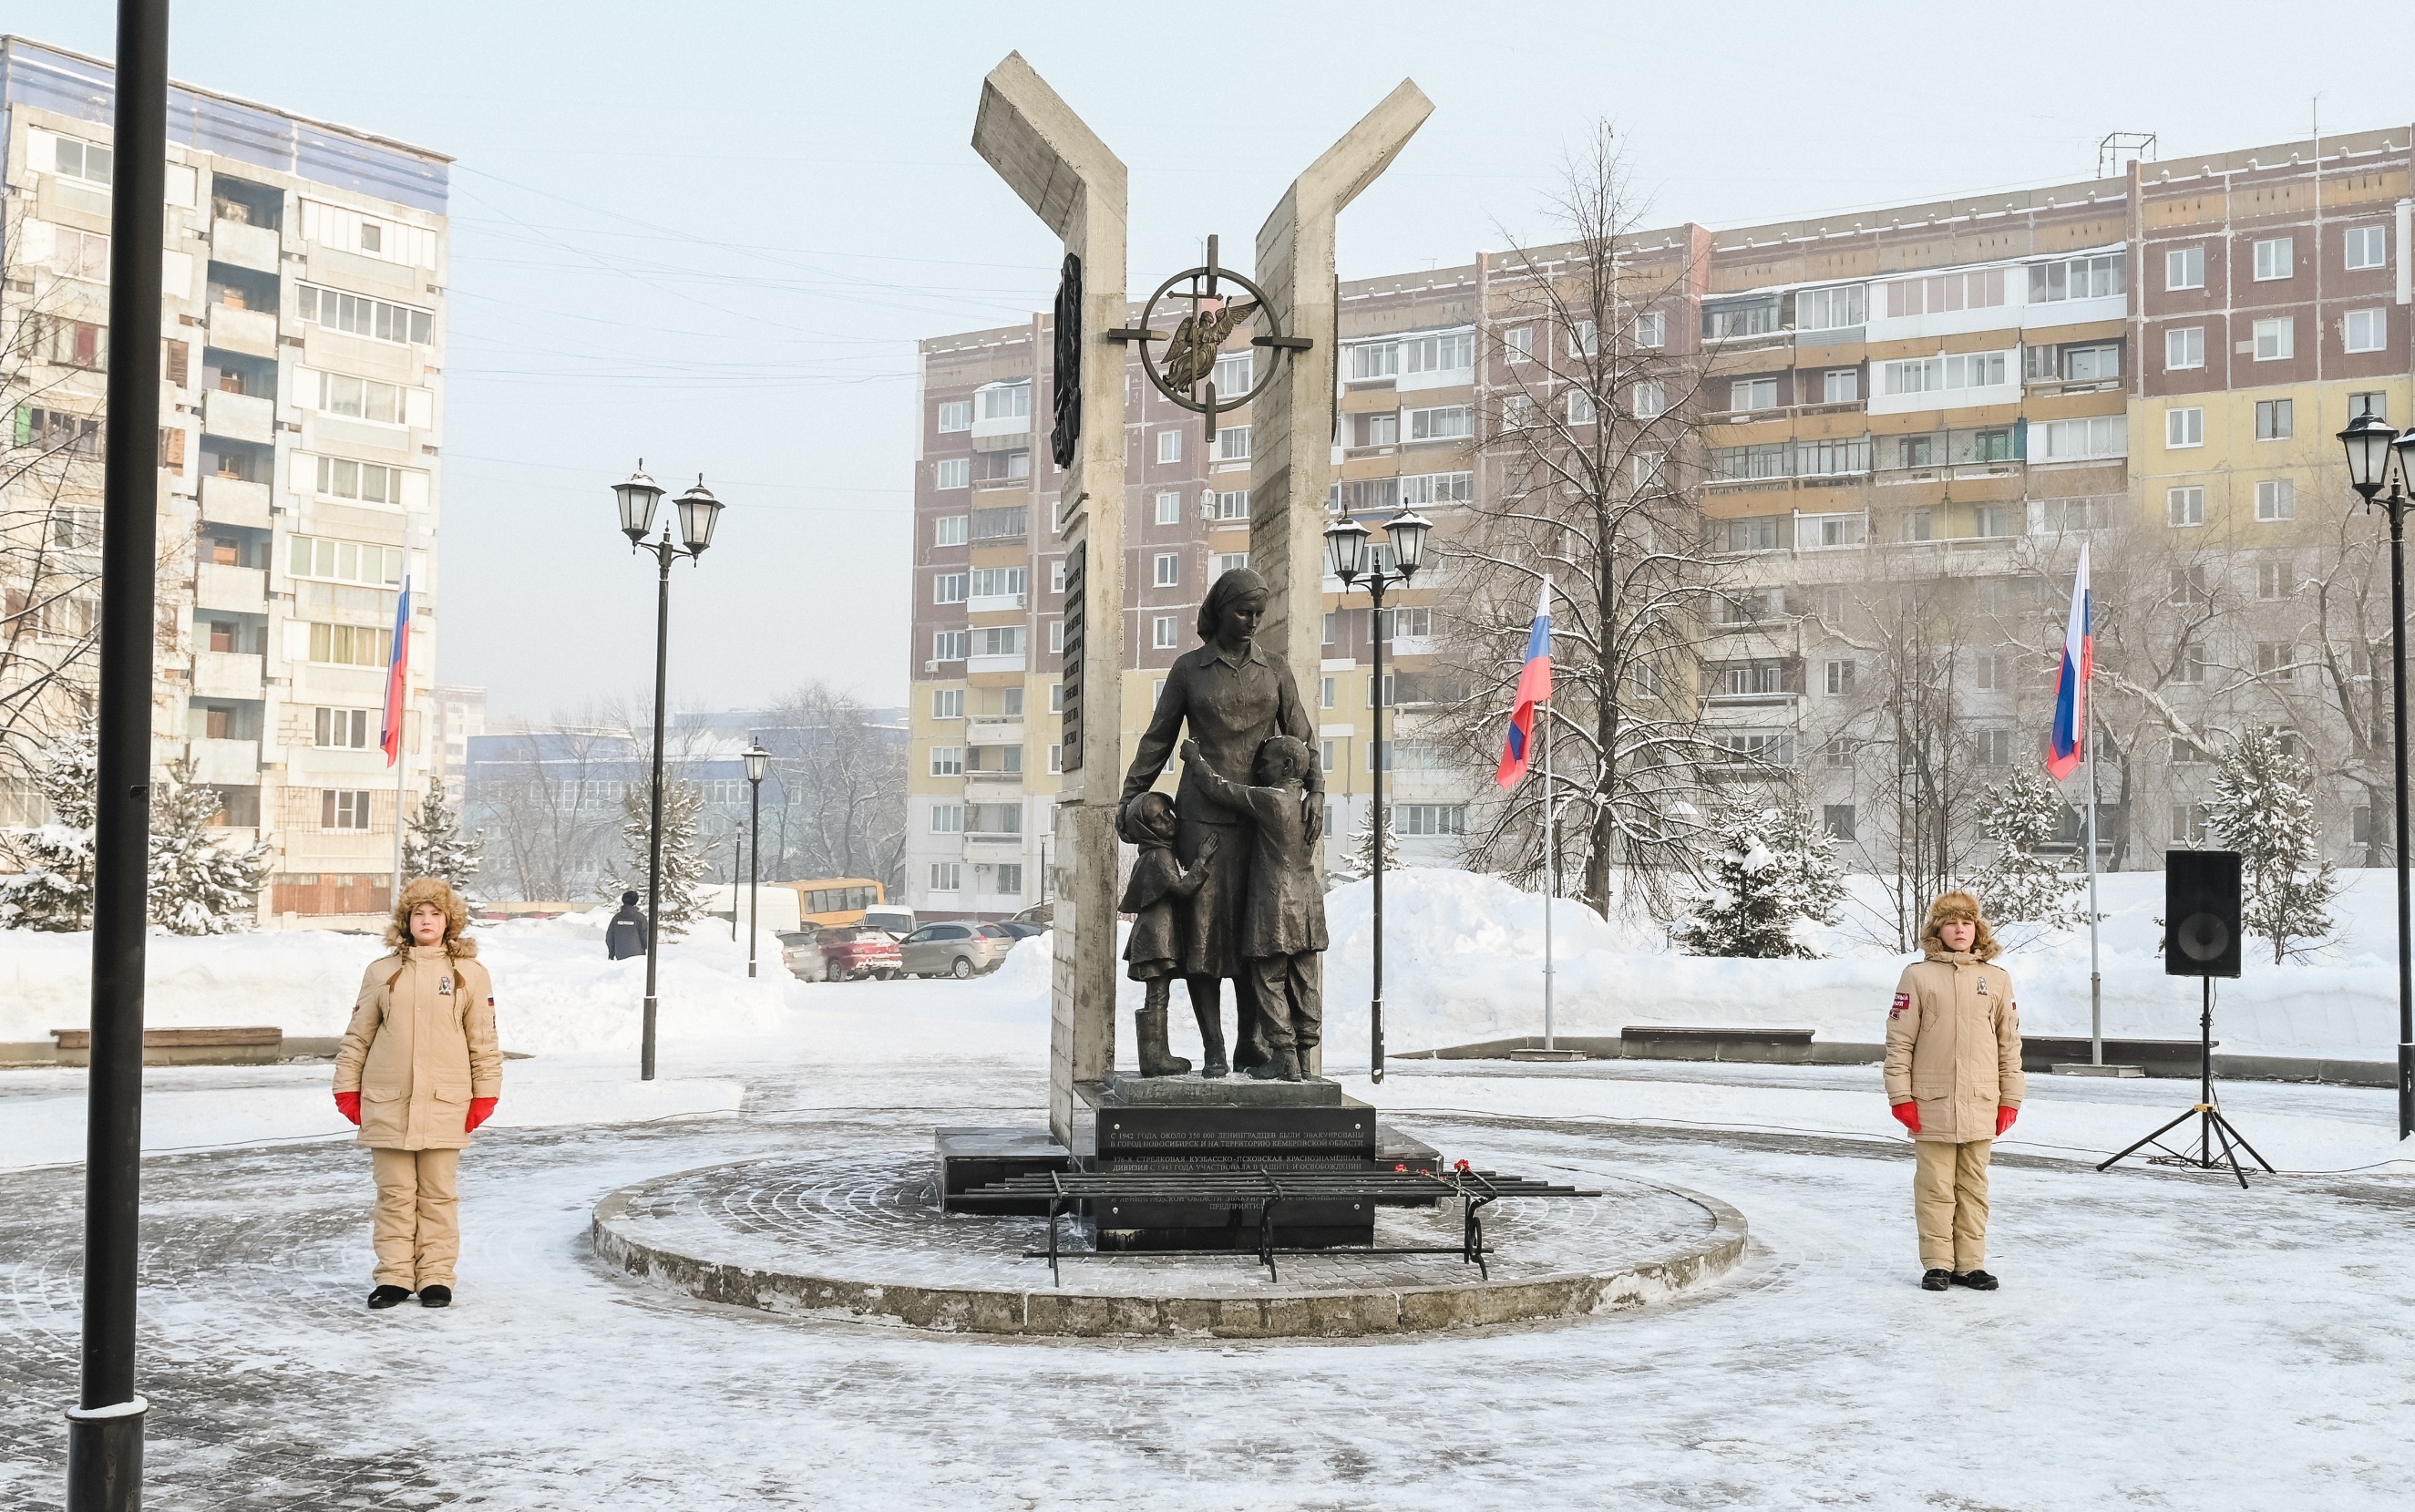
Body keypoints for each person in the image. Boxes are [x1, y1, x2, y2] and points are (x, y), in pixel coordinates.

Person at [1119, 568, 1322, 1073]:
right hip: (1201, 821)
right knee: (1204, 940)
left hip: (1259, 822)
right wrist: (1130, 797)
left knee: (1258, 939)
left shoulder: (1275, 669)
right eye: (1243, 612)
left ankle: (1251, 1042)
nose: (1252, 621)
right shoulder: (1189, 669)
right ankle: (1213, 1046)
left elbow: (1302, 737)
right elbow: (1158, 737)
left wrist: (1316, 789)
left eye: (1258, 613)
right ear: (1220, 610)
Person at [333, 877, 502, 1310]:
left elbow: (483, 1040)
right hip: (387, 1101)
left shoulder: (470, 974)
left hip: (446, 1102)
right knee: (394, 1195)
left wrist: (485, 1094)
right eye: (418, 914)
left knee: (439, 1195)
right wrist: (347, 1087)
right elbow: (358, 1036)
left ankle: (435, 1277)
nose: (426, 921)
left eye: (435, 914)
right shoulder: (382, 972)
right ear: (405, 922)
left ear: (449, 921)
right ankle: (393, 1277)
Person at [1885, 890, 2023, 1293]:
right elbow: (1899, 1042)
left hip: (1982, 1101)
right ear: (1938, 930)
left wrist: (2011, 1099)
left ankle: (1971, 1264)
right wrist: (1900, 1096)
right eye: (1951, 923)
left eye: (1966, 923)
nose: (1960, 930)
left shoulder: (1996, 979)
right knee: (1935, 1187)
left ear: (1977, 929)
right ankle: (1938, 1264)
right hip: (1932, 1102)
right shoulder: (1917, 976)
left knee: (1974, 1187)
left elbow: (2009, 1044)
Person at [1181, 735, 1328, 1082]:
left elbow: (1221, 789)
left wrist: (1194, 758)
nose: (1259, 770)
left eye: (1266, 763)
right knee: (1304, 983)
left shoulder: (1272, 800)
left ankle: (1284, 1057)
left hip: (1276, 908)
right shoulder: (1310, 809)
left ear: (1287, 767)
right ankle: (1304, 1062)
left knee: (1269, 980)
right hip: (1309, 908)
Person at [1117, 793, 1218, 1076]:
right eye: (1157, 820)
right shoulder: (1159, 856)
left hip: (1155, 935)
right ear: (1145, 829)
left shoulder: (1153, 854)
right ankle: (1155, 1058)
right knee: (1157, 995)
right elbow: (1183, 889)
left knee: (1156, 995)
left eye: (1167, 814)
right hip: (1156, 938)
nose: (1167, 822)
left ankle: (1156, 1055)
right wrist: (1202, 860)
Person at [605, 890, 649, 961]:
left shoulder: (616, 918)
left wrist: (611, 953)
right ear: (636, 901)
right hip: (638, 956)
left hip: (620, 954)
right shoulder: (640, 918)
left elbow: (609, 937)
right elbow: (646, 937)